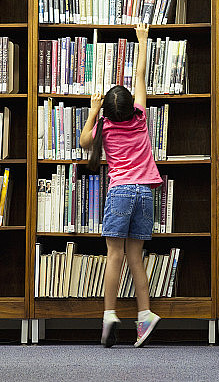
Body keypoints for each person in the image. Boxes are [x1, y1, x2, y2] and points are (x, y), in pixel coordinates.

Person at [79, 24, 162, 348]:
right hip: (146, 193)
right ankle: (145, 315)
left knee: (114, 255)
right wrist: (142, 41)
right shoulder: (141, 117)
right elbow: (140, 76)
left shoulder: (103, 127)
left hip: (121, 192)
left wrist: (93, 111)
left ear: (108, 112)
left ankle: (110, 314)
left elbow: (84, 142)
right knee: (136, 258)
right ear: (130, 106)